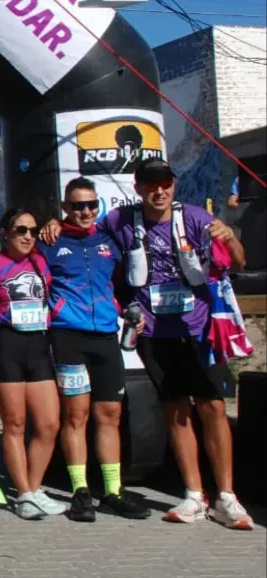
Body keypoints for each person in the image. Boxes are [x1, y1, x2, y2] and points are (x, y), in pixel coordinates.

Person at [42, 158, 252, 529]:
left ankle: (227, 497)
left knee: (213, 408)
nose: (159, 191)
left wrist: (231, 236)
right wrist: (56, 223)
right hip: (154, 332)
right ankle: (193, 495)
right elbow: (79, 229)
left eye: (165, 183)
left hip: (198, 328)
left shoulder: (195, 218)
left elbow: (237, 262)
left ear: (173, 185)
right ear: (138, 188)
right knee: (175, 411)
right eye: (151, 184)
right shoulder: (120, 221)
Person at [38, 177, 151, 522]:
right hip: (68, 337)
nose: (84, 211)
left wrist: (134, 313)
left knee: (110, 416)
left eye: (90, 205)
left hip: (105, 336)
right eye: (77, 205)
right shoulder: (51, 242)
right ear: (64, 208)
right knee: (76, 416)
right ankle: (80, 492)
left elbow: (125, 283)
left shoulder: (109, 240)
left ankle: (113, 492)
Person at [0, 208, 64, 520]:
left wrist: (56, 221)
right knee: (14, 424)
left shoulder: (40, 260)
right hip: (7, 346)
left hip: (38, 345)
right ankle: (24, 493)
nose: (27, 236)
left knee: (50, 423)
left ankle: (33, 487)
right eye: (20, 230)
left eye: (31, 230)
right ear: (5, 232)